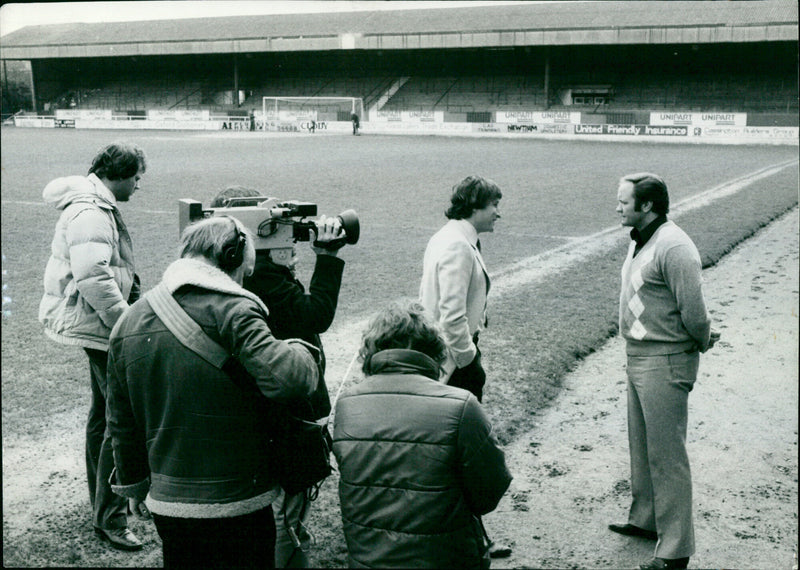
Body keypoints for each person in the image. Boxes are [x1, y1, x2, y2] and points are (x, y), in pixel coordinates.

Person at [105, 216, 321, 569]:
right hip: (238, 498)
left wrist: (134, 486)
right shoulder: (235, 310)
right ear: (233, 257)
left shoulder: (129, 321)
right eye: (244, 272)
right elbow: (290, 381)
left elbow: (120, 422)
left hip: (169, 503)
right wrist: (300, 349)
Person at [210, 186, 346, 568]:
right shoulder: (263, 277)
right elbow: (313, 315)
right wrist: (327, 257)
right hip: (287, 413)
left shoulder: (220, 275)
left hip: (246, 417)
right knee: (286, 516)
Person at [332, 301, 512, 568]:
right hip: (447, 560)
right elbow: (489, 493)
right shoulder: (461, 406)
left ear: (371, 349)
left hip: (368, 561)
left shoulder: (347, 404)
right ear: (435, 349)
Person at [38, 141, 147, 551]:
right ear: (118, 174)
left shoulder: (92, 203)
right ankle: (111, 518)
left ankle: (102, 505)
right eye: (136, 177)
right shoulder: (92, 211)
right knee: (121, 421)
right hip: (99, 326)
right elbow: (93, 277)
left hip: (93, 323)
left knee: (103, 415)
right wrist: (125, 324)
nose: (138, 185)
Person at [611, 172, 720, 570]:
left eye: (624, 202)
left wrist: (702, 339)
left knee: (667, 456)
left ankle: (675, 551)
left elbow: (695, 311)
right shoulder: (641, 239)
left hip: (665, 359)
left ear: (647, 205)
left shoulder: (674, 246)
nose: (618, 208)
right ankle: (646, 519)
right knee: (642, 446)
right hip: (639, 355)